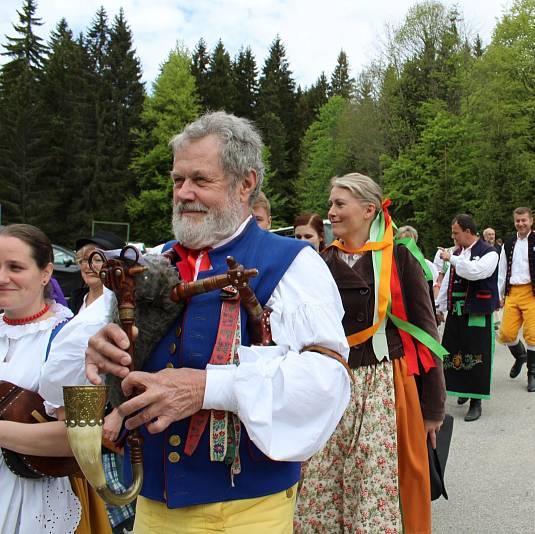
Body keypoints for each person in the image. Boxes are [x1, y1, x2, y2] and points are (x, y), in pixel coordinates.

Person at [84, 111, 351, 533]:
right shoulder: (151, 261)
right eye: (177, 180)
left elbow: (324, 381)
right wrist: (101, 353)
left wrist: (208, 388)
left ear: (246, 183)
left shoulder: (292, 264)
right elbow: (94, 371)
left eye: (200, 180)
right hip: (152, 506)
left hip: (245, 510)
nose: (184, 193)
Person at [296, 173, 445, 533]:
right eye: (330, 203)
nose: (330, 212)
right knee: (321, 484)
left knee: (375, 484)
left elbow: (426, 333)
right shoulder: (321, 261)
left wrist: (433, 407)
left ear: (368, 210)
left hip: (383, 386)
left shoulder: (400, 258)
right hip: (331, 384)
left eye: (339, 204)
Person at [0, 224, 113, 534]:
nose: (1, 277)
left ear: (46, 272)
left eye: (15, 267)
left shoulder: (71, 338)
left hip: (37, 498)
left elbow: (77, 439)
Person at [72, 232, 135, 533]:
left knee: (117, 502)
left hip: (111, 409)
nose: (88, 265)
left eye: (95, 258)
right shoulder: (75, 300)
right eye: (83, 259)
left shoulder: (120, 301)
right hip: (85, 408)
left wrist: (119, 412)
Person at [436, 214, 499, 421]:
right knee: (454, 353)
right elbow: (448, 282)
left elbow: (475, 272)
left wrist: (452, 259)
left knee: (476, 355)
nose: (453, 237)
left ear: (468, 232)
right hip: (456, 312)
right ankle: (462, 389)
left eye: (456, 233)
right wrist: (439, 307)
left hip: (477, 312)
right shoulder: (457, 253)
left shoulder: (489, 253)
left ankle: (476, 401)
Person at [496, 208, 535, 393]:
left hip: (533, 293)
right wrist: (500, 295)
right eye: (517, 221)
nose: (521, 224)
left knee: (532, 335)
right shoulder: (508, 244)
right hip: (513, 293)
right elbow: (502, 271)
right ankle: (521, 356)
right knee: (506, 333)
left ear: (531, 221)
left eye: (524, 220)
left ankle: (532, 375)